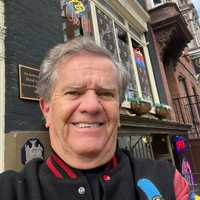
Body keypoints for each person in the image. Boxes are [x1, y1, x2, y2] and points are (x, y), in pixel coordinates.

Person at [0, 37, 189, 199]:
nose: (91, 106)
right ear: (47, 109)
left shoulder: (167, 182)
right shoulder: (11, 190)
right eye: (74, 92)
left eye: (105, 94)